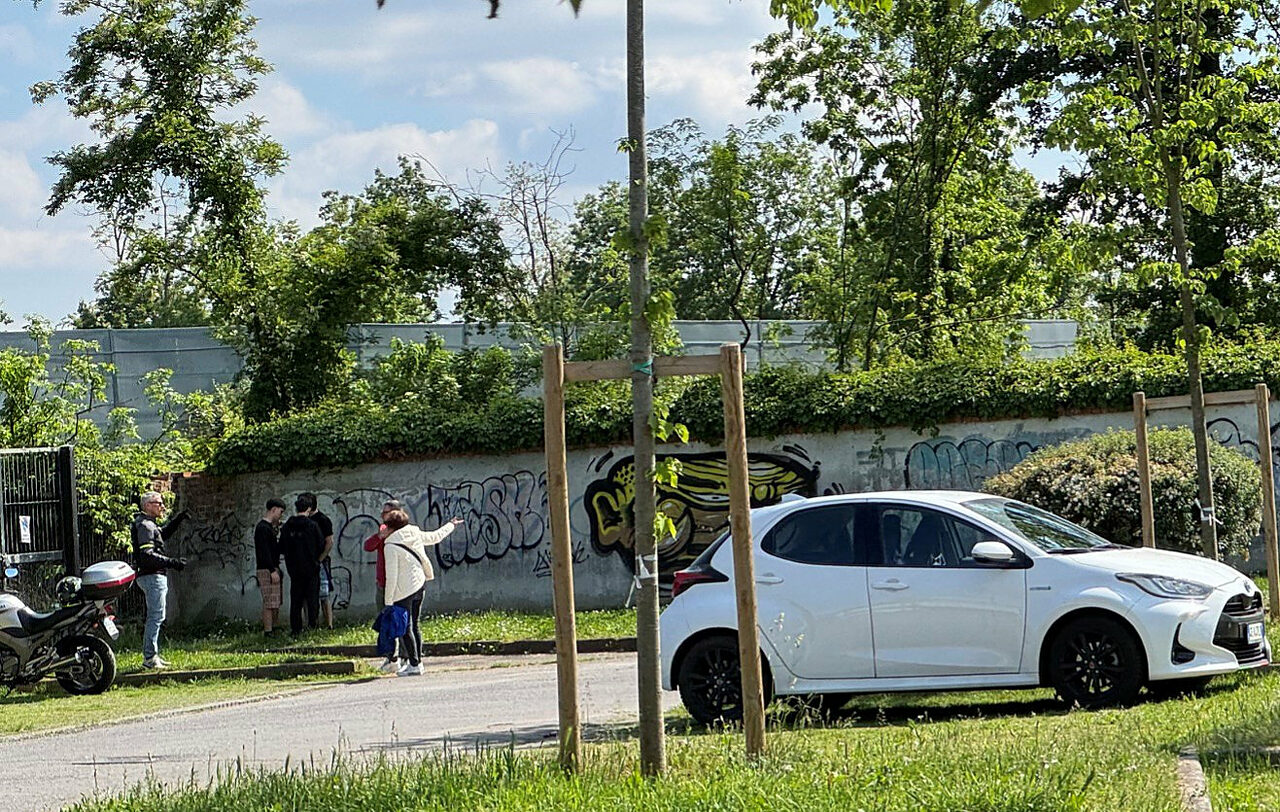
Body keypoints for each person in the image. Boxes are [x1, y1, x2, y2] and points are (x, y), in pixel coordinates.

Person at [382, 510, 463, 676]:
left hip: (402, 591)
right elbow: (435, 537)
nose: (383, 529)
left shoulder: (390, 546)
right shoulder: (414, 532)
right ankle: (418, 662)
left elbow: (392, 576)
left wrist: (388, 602)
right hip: (419, 584)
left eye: (386, 526)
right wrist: (451, 525)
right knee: (415, 624)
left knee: (405, 628)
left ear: (391, 528)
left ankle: (414, 663)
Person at [131, 491, 188, 670]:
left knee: (157, 616)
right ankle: (150, 657)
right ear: (148, 505)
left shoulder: (148, 525)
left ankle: (152, 654)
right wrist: (172, 562)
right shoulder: (145, 526)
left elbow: (161, 534)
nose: (162, 506)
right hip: (152, 575)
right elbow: (147, 555)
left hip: (152, 575)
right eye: (159, 503)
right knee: (156, 616)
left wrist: (178, 520)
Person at [363, 499, 403, 672]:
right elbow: (368, 546)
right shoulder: (383, 531)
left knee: (402, 622)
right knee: (385, 621)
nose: (382, 516)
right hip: (383, 583)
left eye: (385, 513)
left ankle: (406, 656)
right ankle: (391, 656)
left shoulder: (404, 532)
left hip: (400, 584)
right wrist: (380, 536)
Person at [279, 495, 325, 637]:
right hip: (311, 567)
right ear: (309, 509)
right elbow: (321, 544)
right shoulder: (312, 525)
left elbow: (281, 547)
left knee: (296, 600)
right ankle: (312, 625)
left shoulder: (287, 526)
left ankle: (296, 628)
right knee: (312, 600)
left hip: (294, 569)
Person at [302, 491, 336, 630]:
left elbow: (329, 542)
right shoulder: (303, 520)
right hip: (306, 561)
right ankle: (309, 623)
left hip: (320, 561)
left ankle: (329, 624)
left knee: (324, 594)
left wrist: (320, 559)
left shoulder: (323, 520)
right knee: (305, 594)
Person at [254, 497, 287, 636]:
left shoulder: (269, 529)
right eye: (280, 512)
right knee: (269, 601)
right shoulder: (262, 528)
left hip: (273, 567)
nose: (280, 516)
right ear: (273, 510)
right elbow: (264, 552)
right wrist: (272, 570)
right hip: (267, 569)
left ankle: (274, 626)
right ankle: (268, 630)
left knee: (275, 600)